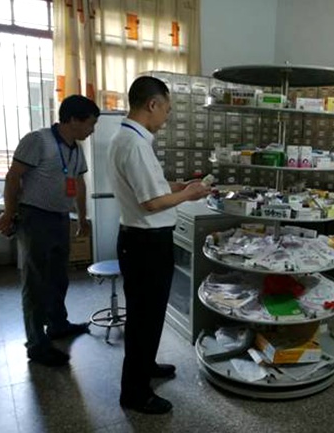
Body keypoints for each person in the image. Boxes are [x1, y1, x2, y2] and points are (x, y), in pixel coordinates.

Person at [108, 76, 210, 415]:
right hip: (145, 244)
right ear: (152, 104)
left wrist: (176, 186)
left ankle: (146, 366)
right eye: (166, 109)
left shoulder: (128, 137)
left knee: (148, 315)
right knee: (144, 318)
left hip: (140, 241)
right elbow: (151, 203)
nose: (167, 117)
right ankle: (134, 393)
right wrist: (188, 195)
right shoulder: (135, 144)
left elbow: (148, 187)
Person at [0, 95, 100, 366]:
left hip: (61, 217)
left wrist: (83, 218)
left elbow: (79, 183)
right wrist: (9, 212)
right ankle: (36, 343)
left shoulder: (76, 149)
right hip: (35, 217)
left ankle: (57, 324)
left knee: (58, 276)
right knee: (36, 281)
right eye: (90, 123)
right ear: (73, 120)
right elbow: (13, 176)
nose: (92, 129)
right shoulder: (38, 140)